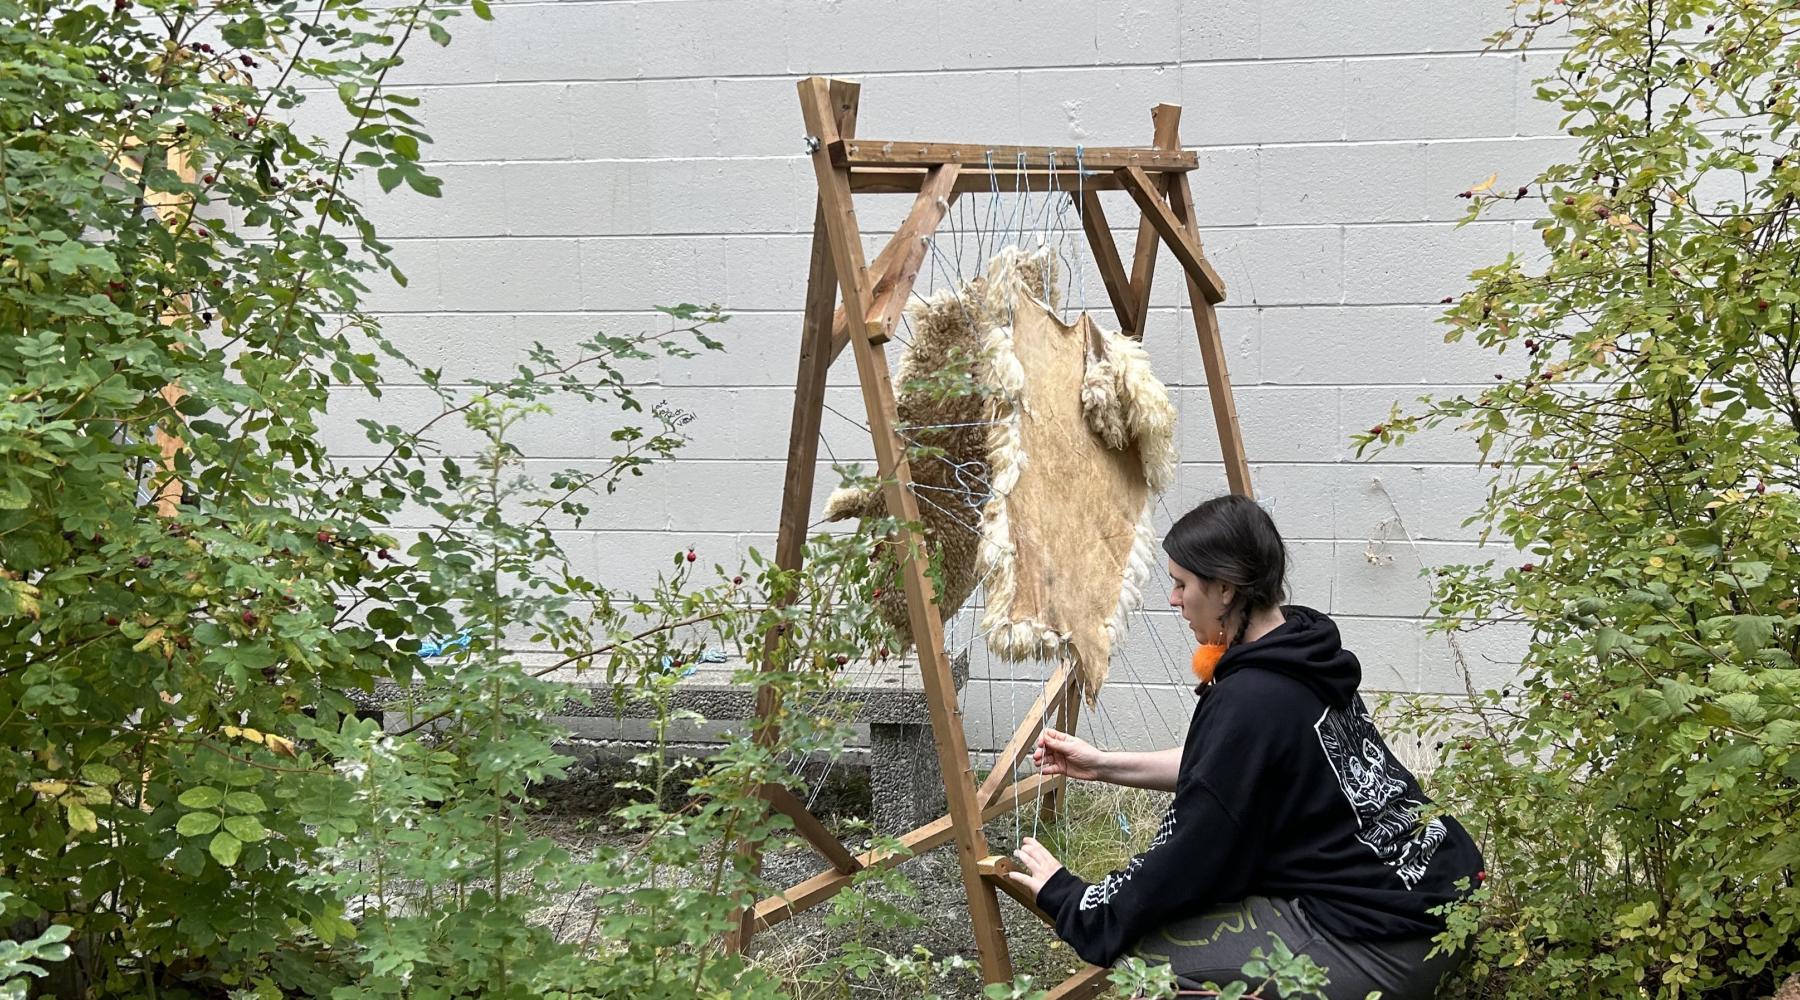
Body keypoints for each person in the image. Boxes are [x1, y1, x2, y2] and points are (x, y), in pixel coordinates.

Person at [1004, 493, 1484, 998]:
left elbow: (1185, 860)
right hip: (1445, 904)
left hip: (1389, 949)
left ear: (1227, 589)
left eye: (1182, 583)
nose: (1173, 599)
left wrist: (1076, 900)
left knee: (1141, 959)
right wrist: (1103, 765)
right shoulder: (1301, 648)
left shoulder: (1251, 698)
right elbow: (1234, 769)